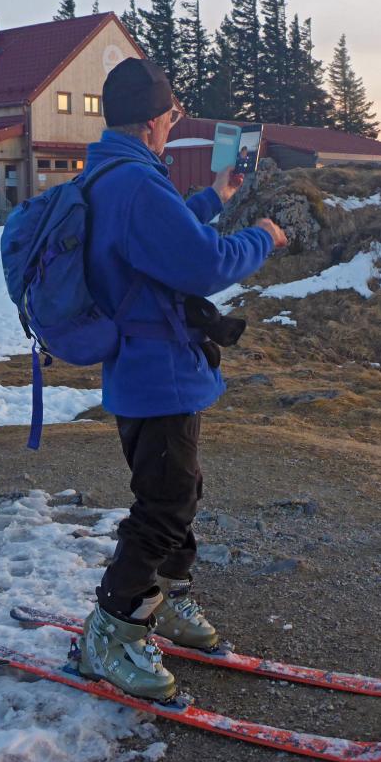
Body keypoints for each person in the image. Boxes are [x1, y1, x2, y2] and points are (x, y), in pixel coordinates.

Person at [78, 58, 287, 700]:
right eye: (171, 114)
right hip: (158, 369)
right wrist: (263, 236)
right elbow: (200, 264)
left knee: (179, 489)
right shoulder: (139, 184)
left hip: (144, 365)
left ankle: (165, 600)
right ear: (152, 121)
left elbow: (159, 239)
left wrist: (216, 196)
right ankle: (112, 630)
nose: (173, 124)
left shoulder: (112, 173)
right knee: (166, 502)